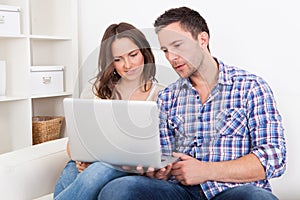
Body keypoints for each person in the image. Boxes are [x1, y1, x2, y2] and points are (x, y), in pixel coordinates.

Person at [97, 7, 287, 200]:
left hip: (234, 191)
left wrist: (206, 171)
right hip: (181, 192)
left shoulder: (251, 88)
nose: (171, 57)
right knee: (118, 190)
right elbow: (163, 158)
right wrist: (160, 171)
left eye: (178, 45)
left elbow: (274, 157)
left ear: (202, 40)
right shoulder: (168, 97)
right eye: (165, 51)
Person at [53, 22, 165, 199]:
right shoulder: (95, 91)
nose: (127, 65)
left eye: (133, 55)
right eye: (118, 59)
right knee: (74, 172)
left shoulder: (162, 96)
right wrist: (82, 159)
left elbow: (162, 151)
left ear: (144, 52)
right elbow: (74, 142)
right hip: (89, 167)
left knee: (100, 169)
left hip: (130, 171)